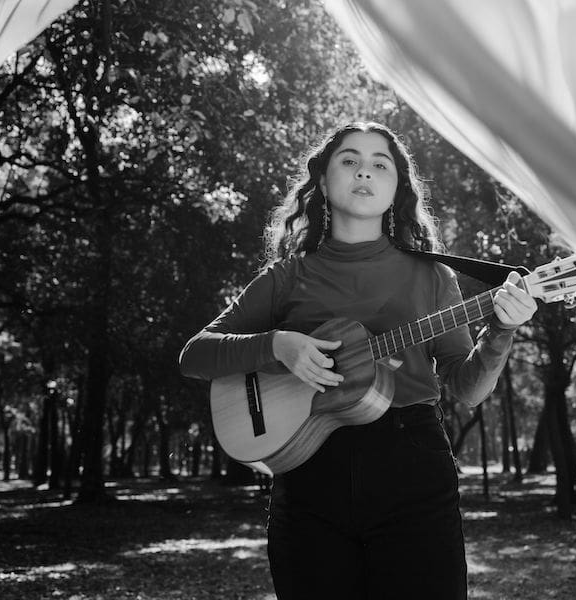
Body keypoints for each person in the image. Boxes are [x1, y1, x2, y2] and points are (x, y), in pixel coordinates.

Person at [179, 121, 537, 599]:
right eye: (349, 160)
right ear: (324, 182)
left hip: (412, 468)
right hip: (307, 475)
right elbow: (196, 354)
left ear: (396, 189)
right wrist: (277, 345)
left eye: (379, 164)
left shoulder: (432, 276)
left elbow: (467, 387)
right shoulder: (288, 277)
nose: (364, 171)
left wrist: (501, 330)